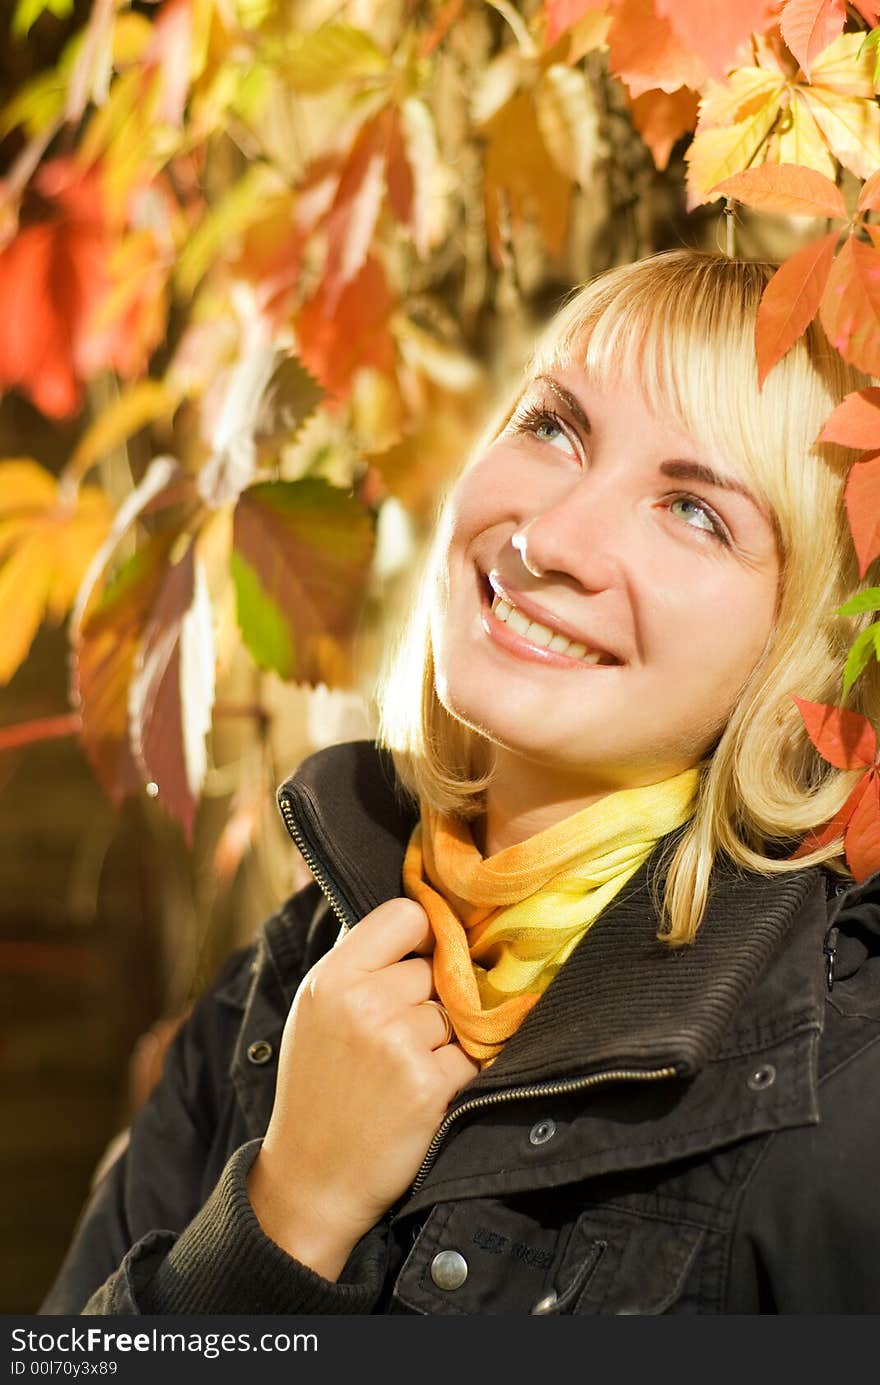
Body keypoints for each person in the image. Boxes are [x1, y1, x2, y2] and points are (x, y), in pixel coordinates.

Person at [41, 250, 880, 1316]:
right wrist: (287, 1208)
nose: (551, 537)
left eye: (694, 511)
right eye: (552, 427)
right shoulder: (293, 970)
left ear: (799, 645)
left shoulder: (833, 1088)